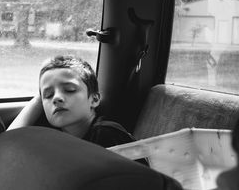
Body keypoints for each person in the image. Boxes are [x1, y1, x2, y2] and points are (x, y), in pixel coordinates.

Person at [8, 55, 146, 154]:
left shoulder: (106, 133)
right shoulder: (52, 134)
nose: (56, 98)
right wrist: (39, 98)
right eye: (48, 95)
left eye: (69, 90)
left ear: (94, 99)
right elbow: (8, 143)